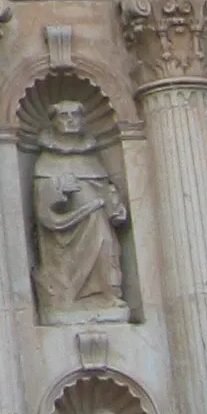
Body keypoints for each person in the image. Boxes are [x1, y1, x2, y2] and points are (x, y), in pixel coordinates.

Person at [33, 100, 129, 321]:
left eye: (75, 116)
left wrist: (115, 204)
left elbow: (106, 189)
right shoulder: (46, 160)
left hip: (97, 220)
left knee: (106, 246)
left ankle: (106, 294)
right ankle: (69, 298)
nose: (70, 120)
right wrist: (57, 190)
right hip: (65, 229)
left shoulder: (91, 157)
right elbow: (42, 205)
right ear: (54, 122)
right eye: (64, 116)